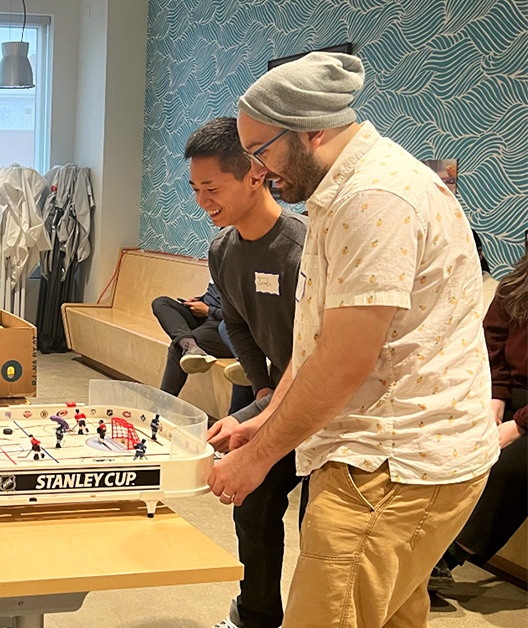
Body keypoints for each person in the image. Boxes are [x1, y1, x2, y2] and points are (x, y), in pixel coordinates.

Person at [209, 52, 498, 628]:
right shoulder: (345, 193)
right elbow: (318, 340)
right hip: (393, 457)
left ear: (312, 130)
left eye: (260, 152)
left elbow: (344, 361)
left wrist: (257, 461)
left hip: (392, 464)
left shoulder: (375, 199)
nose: (258, 172)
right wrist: (262, 418)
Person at [183, 117, 309, 628]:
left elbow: (323, 354)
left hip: (329, 399)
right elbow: (235, 320)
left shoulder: (305, 246)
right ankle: (256, 614)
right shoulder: (223, 250)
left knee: (322, 529)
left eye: (212, 188)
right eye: (195, 188)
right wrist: (261, 388)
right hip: (279, 388)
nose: (202, 200)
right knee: (252, 507)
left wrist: (265, 409)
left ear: (256, 174)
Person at [430, 243, 528, 590]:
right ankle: (417, 540)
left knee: (512, 464)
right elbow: (492, 344)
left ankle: (446, 556)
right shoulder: (515, 285)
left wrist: (518, 426)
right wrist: (495, 399)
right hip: (506, 394)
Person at [152, 282, 235, 397]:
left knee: (178, 345)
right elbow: (215, 296)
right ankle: (189, 345)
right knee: (161, 302)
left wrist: (208, 311)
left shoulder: (241, 271)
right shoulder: (218, 266)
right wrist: (199, 300)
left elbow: (244, 316)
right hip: (205, 317)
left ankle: (162, 406)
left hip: (224, 327)